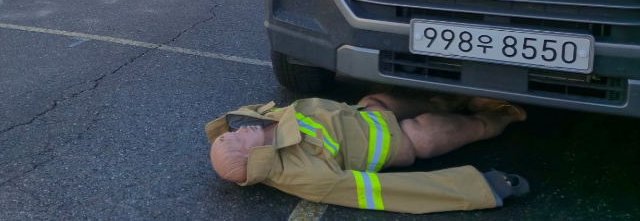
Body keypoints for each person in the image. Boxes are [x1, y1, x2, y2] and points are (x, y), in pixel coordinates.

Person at [207, 94, 529, 214]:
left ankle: (462, 100)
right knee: (434, 129)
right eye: (238, 142)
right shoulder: (303, 175)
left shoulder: (259, 122)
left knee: (430, 103)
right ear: (254, 160)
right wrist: (481, 188)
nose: (239, 132)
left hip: (366, 112)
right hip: (401, 140)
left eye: (232, 134)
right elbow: (382, 193)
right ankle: (503, 116)